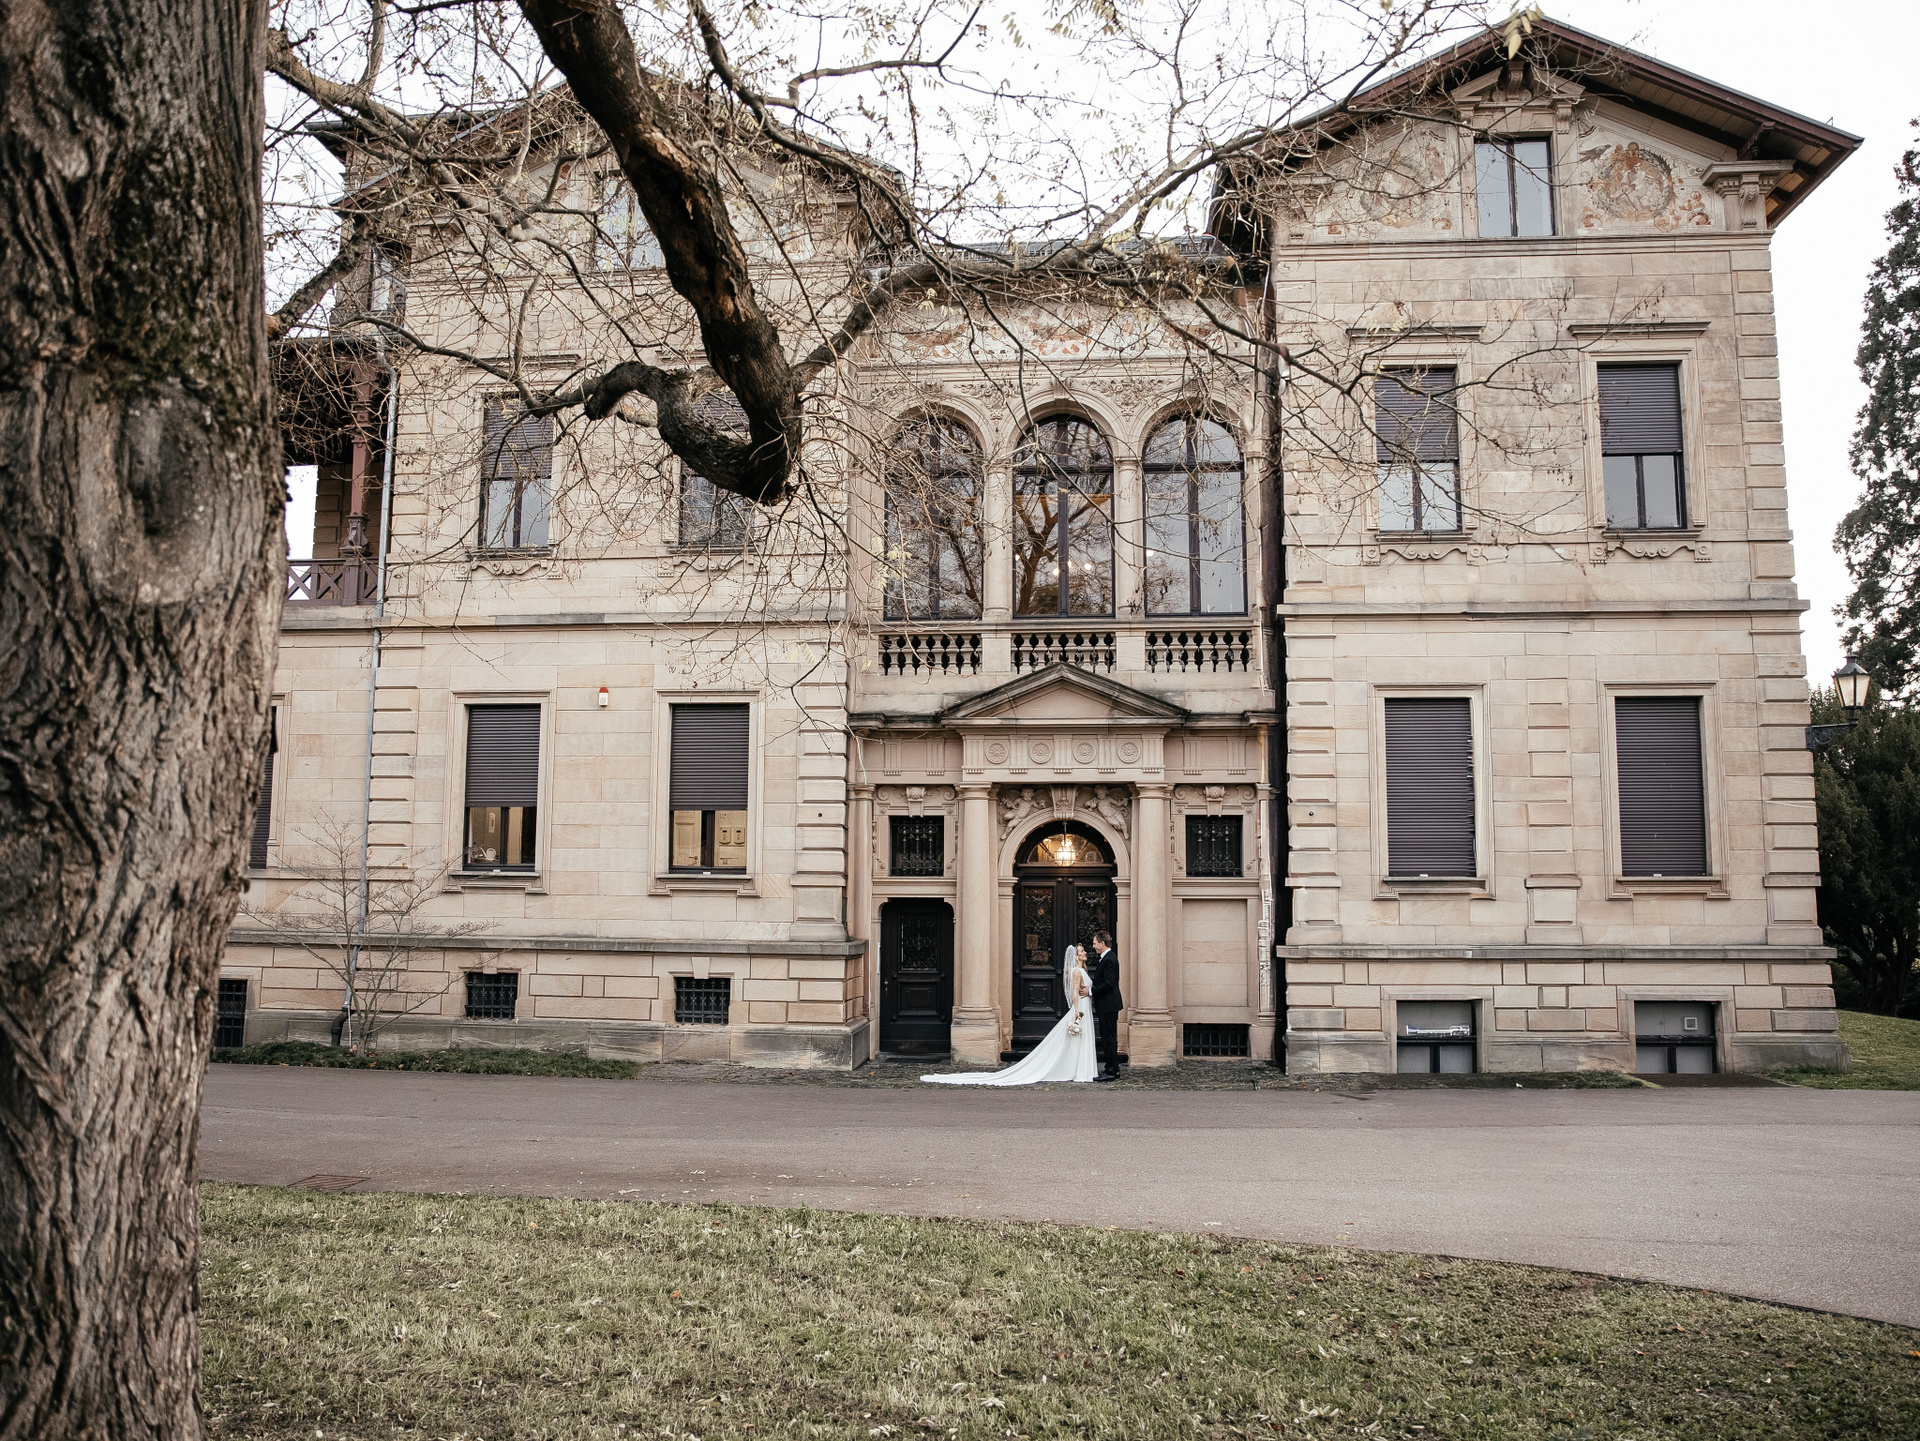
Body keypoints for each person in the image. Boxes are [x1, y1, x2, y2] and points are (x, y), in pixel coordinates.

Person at [924, 944, 1098, 1086]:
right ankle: (1077, 1069)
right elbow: (1074, 992)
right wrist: (1076, 1011)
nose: (1085, 953)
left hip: (1085, 1006)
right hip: (1081, 1008)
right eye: (1082, 951)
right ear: (1076, 956)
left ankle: (1080, 1068)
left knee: (1078, 1039)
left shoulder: (1082, 970)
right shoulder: (1076, 971)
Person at [1088, 928, 1122, 1080]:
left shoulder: (1109, 959)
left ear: (1102, 943)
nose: (1094, 946)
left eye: (1095, 943)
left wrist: (1091, 991)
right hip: (1108, 1004)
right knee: (1109, 1037)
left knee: (1108, 1039)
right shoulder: (1107, 957)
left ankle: (1110, 1071)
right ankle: (1114, 1068)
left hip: (1108, 1004)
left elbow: (1109, 983)